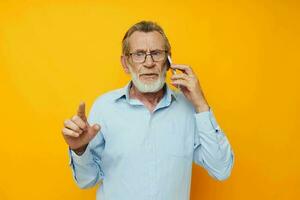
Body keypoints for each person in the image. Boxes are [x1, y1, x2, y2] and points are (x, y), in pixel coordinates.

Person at [62, 20, 234, 200]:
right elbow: (87, 181)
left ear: (168, 62)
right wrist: (80, 150)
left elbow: (221, 169)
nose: (149, 62)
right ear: (125, 63)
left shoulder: (189, 108)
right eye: (139, 54)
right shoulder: (104, 108)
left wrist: (201, 105)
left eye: (157, 53)